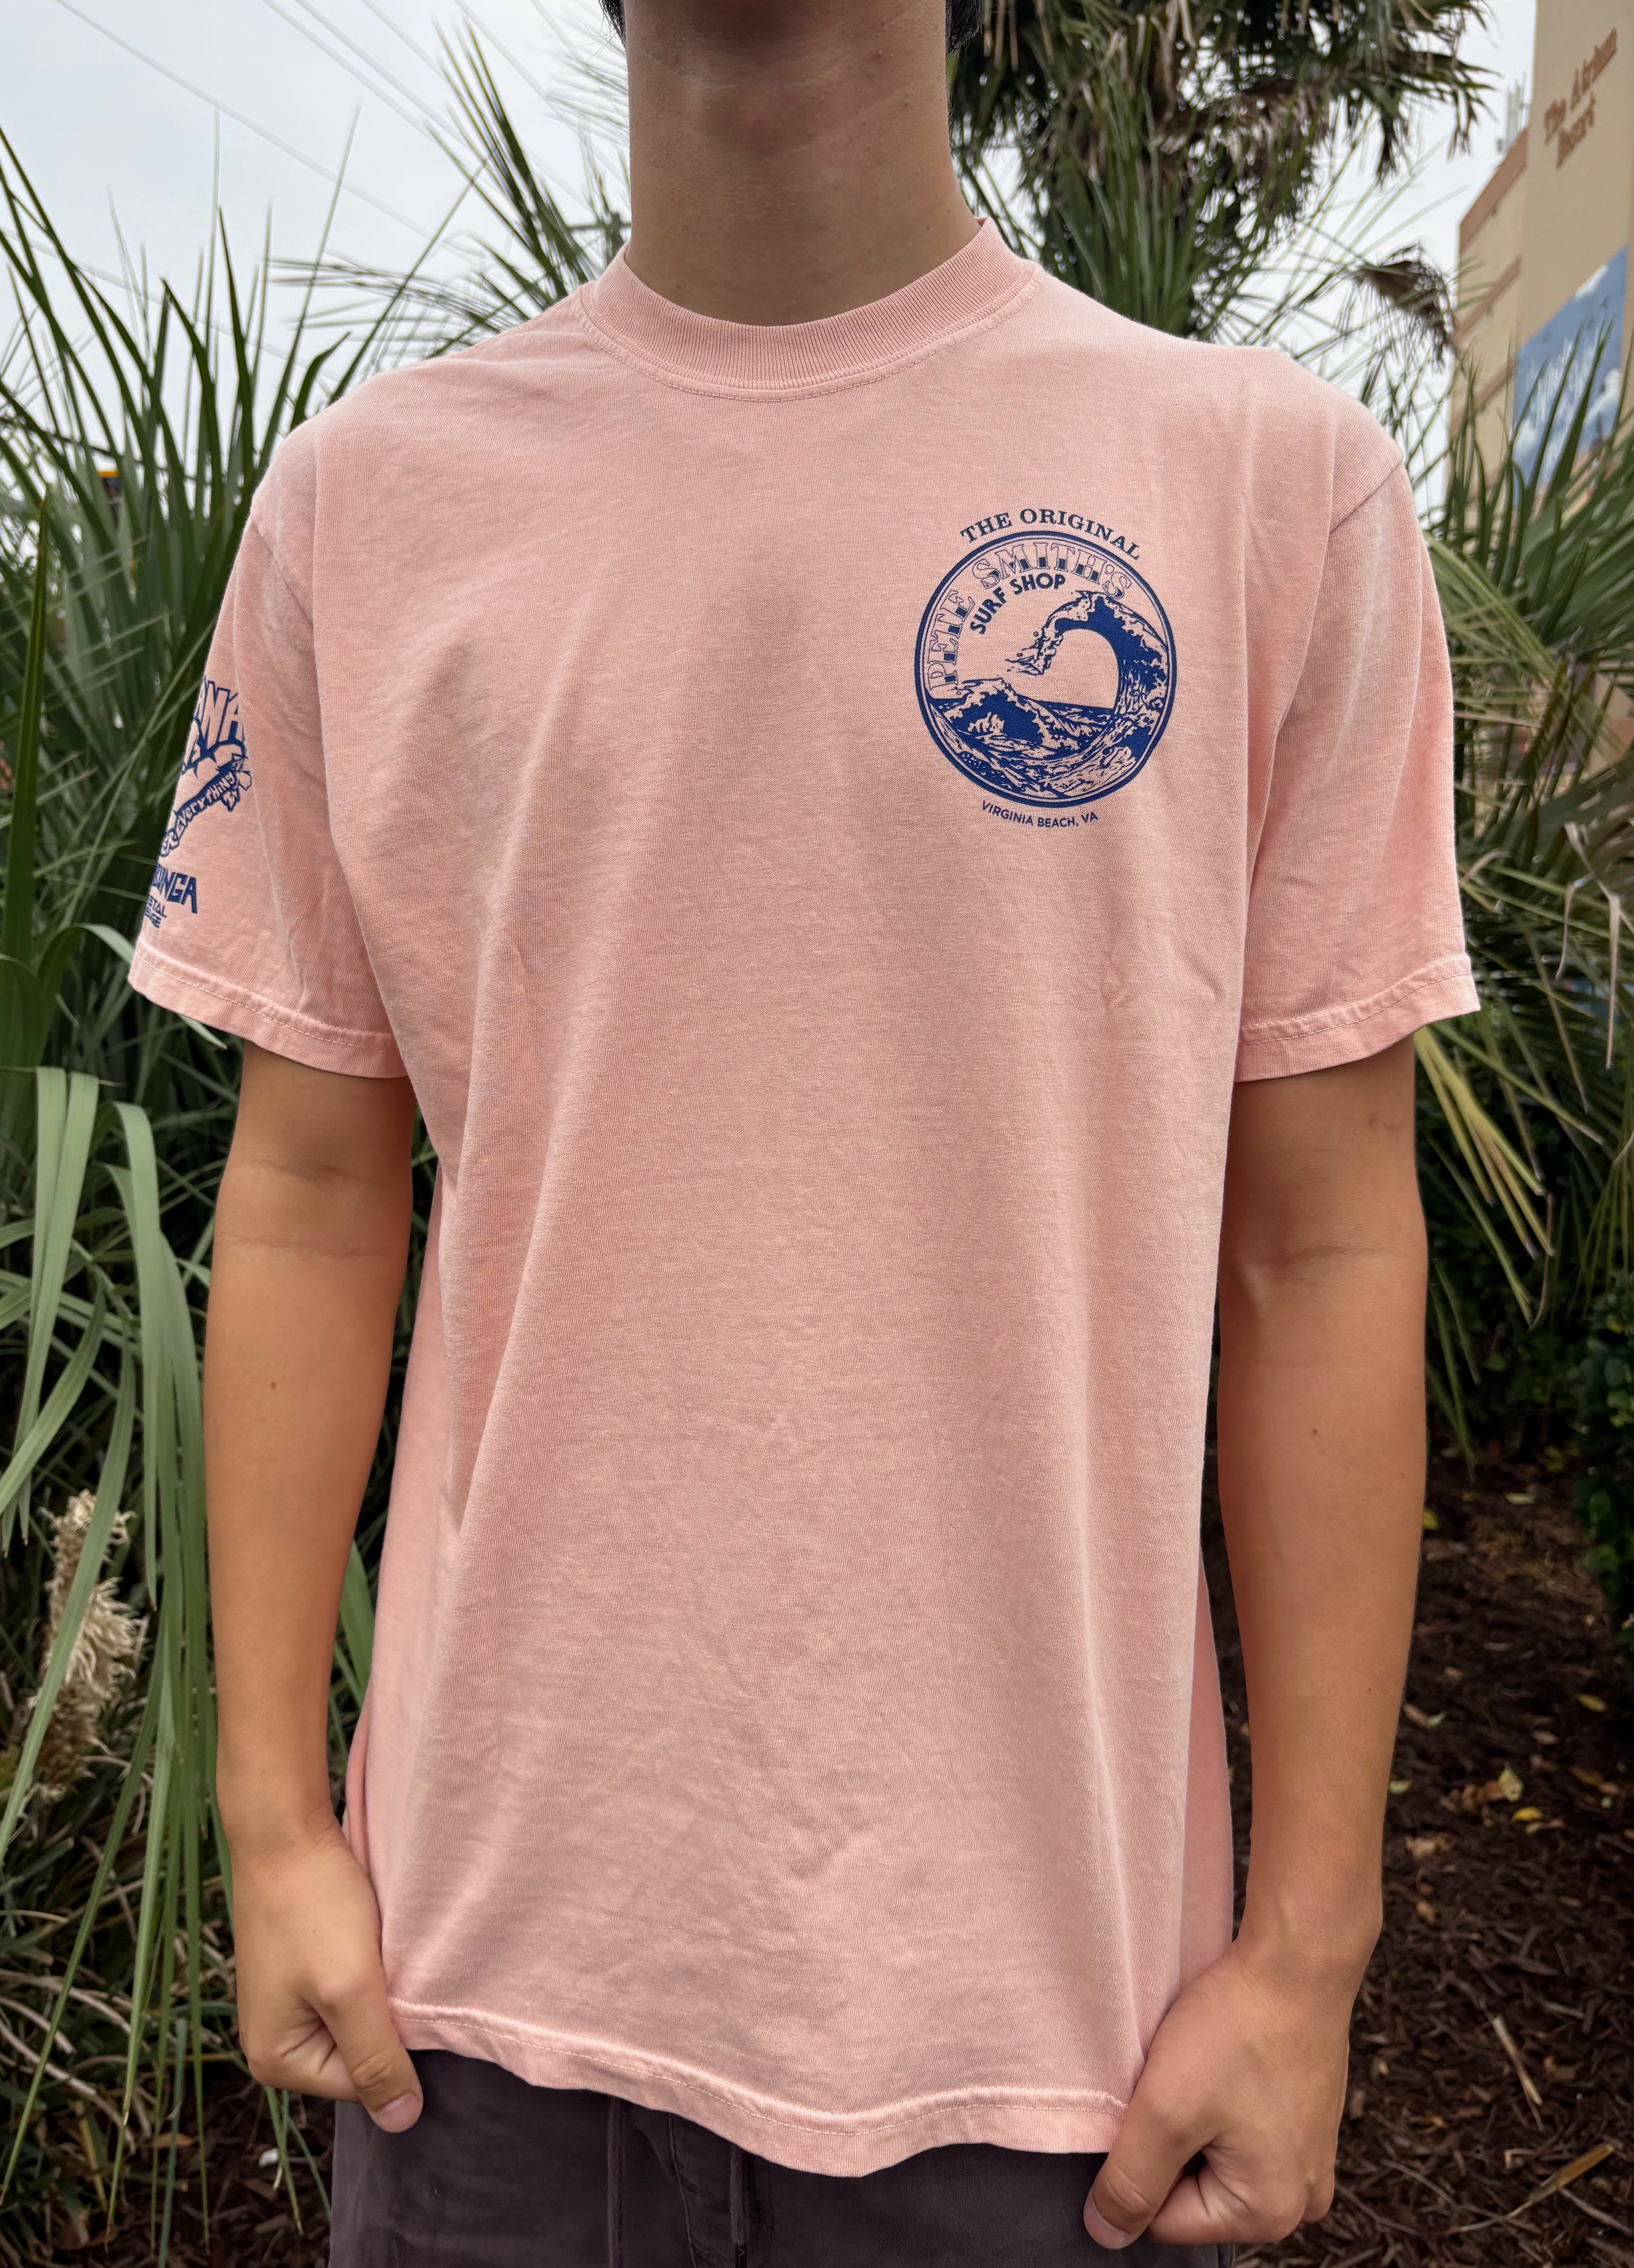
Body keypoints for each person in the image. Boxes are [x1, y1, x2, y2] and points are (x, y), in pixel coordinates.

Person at [127, 0, 1478, 2258]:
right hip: (472, 2015)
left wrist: (1306, 1949)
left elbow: (1319, 1246)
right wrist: (272, 1825)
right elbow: (306, 1189)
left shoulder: (1265, 485)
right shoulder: (362, 510)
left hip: (1051, 2047)